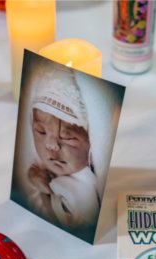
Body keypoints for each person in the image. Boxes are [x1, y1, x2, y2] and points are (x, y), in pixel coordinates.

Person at [25, 67, 100, 231]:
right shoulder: (43, 167)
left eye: (68, 137)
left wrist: (45, 193)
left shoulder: (84, 190)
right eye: (41, 131)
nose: (51, 145)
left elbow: (72, 227)